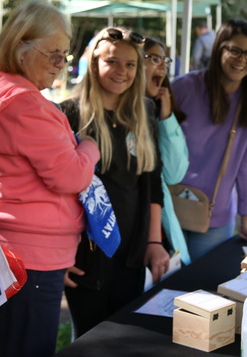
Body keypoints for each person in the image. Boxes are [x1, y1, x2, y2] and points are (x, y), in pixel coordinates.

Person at [0, 0, 99, 357]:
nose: (60, 65)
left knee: (5, 345)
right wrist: (90, 148)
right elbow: (70, 176)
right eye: (53, 54)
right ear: (21, 47)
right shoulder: (26, 105)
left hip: (5, 248)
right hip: (31, 256)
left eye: (64, 55)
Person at [61, 27, 170, 337]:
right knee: (90, 337)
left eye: (131, 64)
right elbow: (59, 192)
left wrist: (153, 242)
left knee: (125, 336)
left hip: (131, 252)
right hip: (86, 256)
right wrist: (64, 251)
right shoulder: (70, 114)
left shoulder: (144, 112)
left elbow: (152, 181)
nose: (122, 71)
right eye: (112, 61)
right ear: (93, 63)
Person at [172, 18, 247, 260]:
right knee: (163, 292)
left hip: (216, 215)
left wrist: (246, 217)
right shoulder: (183, 87)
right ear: (219, 49)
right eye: (235, 50)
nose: (242, 59)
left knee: (203, 294)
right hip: (168, 210)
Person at [143, 37, 191, 265]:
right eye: (154, 58)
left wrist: (166, 117)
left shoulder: (159, 115)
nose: (162, 66)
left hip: (159, 237)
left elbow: (174, 173)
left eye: (165, 60)